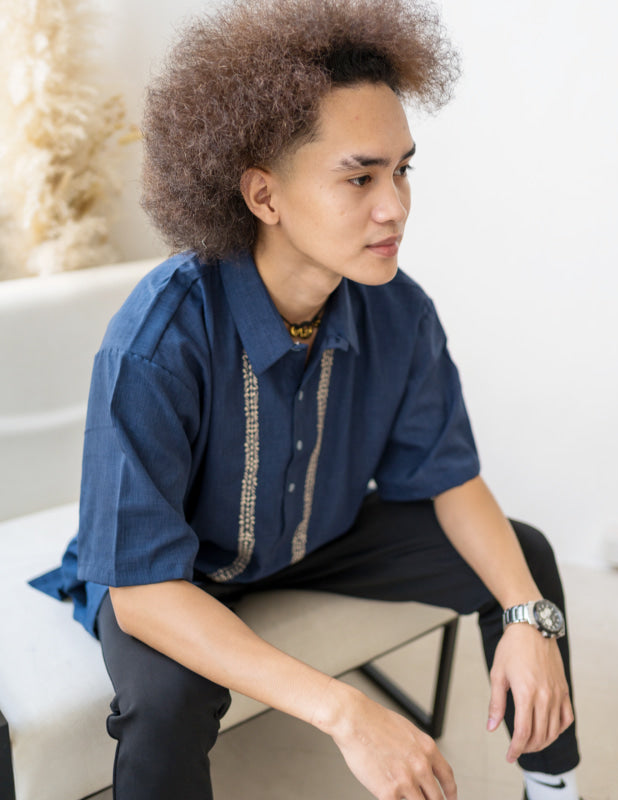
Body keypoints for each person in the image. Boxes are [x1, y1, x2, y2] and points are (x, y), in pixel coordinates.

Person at [33, 1, 582, 798]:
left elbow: (449, 479)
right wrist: (343, 711)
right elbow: (144, 592)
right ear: (264, 196)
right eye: (360, 176)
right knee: (165, 699)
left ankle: (554, 788)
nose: (394, 205)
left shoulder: (398, 309)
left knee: (521, 559)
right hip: (179, 579)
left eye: (401, 170)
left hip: (316, 535)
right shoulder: (158, 339)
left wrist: (529, 617)